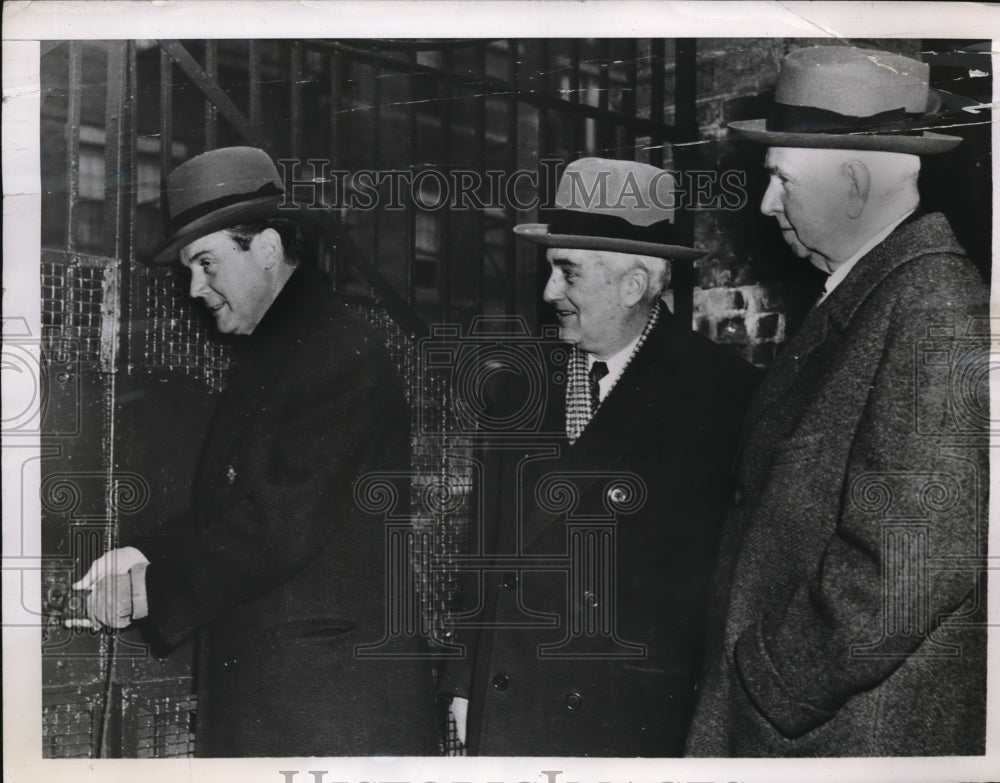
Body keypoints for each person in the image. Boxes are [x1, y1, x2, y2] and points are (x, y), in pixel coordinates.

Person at [70, 146, 439, 756]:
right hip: (292, 696)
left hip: (331, 711)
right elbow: (239, 505)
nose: (195, 287)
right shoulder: (285, 349)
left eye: (207, 263)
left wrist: (149, 590)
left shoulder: (339, 350)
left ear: (266, 249)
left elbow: (281, 521)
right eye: (190, 268)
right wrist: (142, 551)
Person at [685, 46, 989, 757]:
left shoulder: (934, 305)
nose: (766, 203)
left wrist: (769, 678)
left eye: (781, 180)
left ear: (854, 182)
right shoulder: (877, 295)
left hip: (838, 736)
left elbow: (912, 562)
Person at [439, 158, 758, 756]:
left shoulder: (722, 396)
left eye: (567, 272)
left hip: (628, 723)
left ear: (632, 285)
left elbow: (728, 591)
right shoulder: (517, 387)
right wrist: (462, 683)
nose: (548, 292)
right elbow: (482, 552)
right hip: (508, 707)